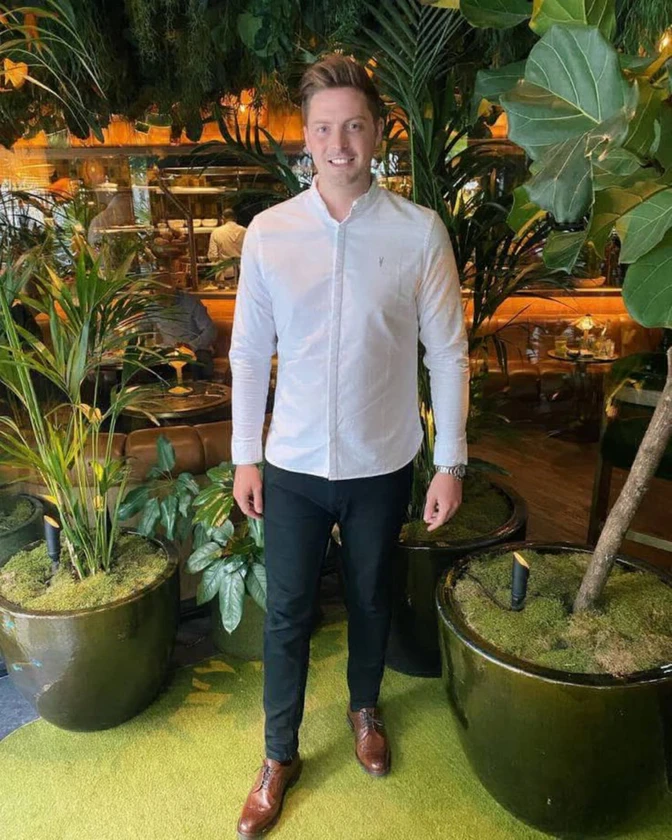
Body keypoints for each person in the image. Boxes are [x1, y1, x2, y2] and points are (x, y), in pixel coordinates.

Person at [230, 55, 469, 839]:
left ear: (377, 132)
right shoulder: (271, 233)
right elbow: (248, 351)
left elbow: (448, 353)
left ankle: (365, 709)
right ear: (306, 136)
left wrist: (451, 461)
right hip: (293, 466)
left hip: (382, 462)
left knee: (371, 598)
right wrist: (244, 453)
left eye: (355, 126)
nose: (340, 144)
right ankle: (279, 755)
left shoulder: (418, 231)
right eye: (325, 128)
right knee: (287, 614)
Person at [153, 284, 218, 380]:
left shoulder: (190, 302)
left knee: (197, 363)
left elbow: (210, 330)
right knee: (151, 368)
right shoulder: (151, 306)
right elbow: (143, 331)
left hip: (195, 349)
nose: (156, 294)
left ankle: (198, 387)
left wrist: (191, 346)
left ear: (171, 287)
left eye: (161, 290)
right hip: (168, 351)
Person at [207, 208, 247, 283]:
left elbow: (212, 256)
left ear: (223, 218)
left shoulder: (216, 232)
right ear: (235, 218)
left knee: (225, 290)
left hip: (225, 271)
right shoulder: (245, 231)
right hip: (244, 271)